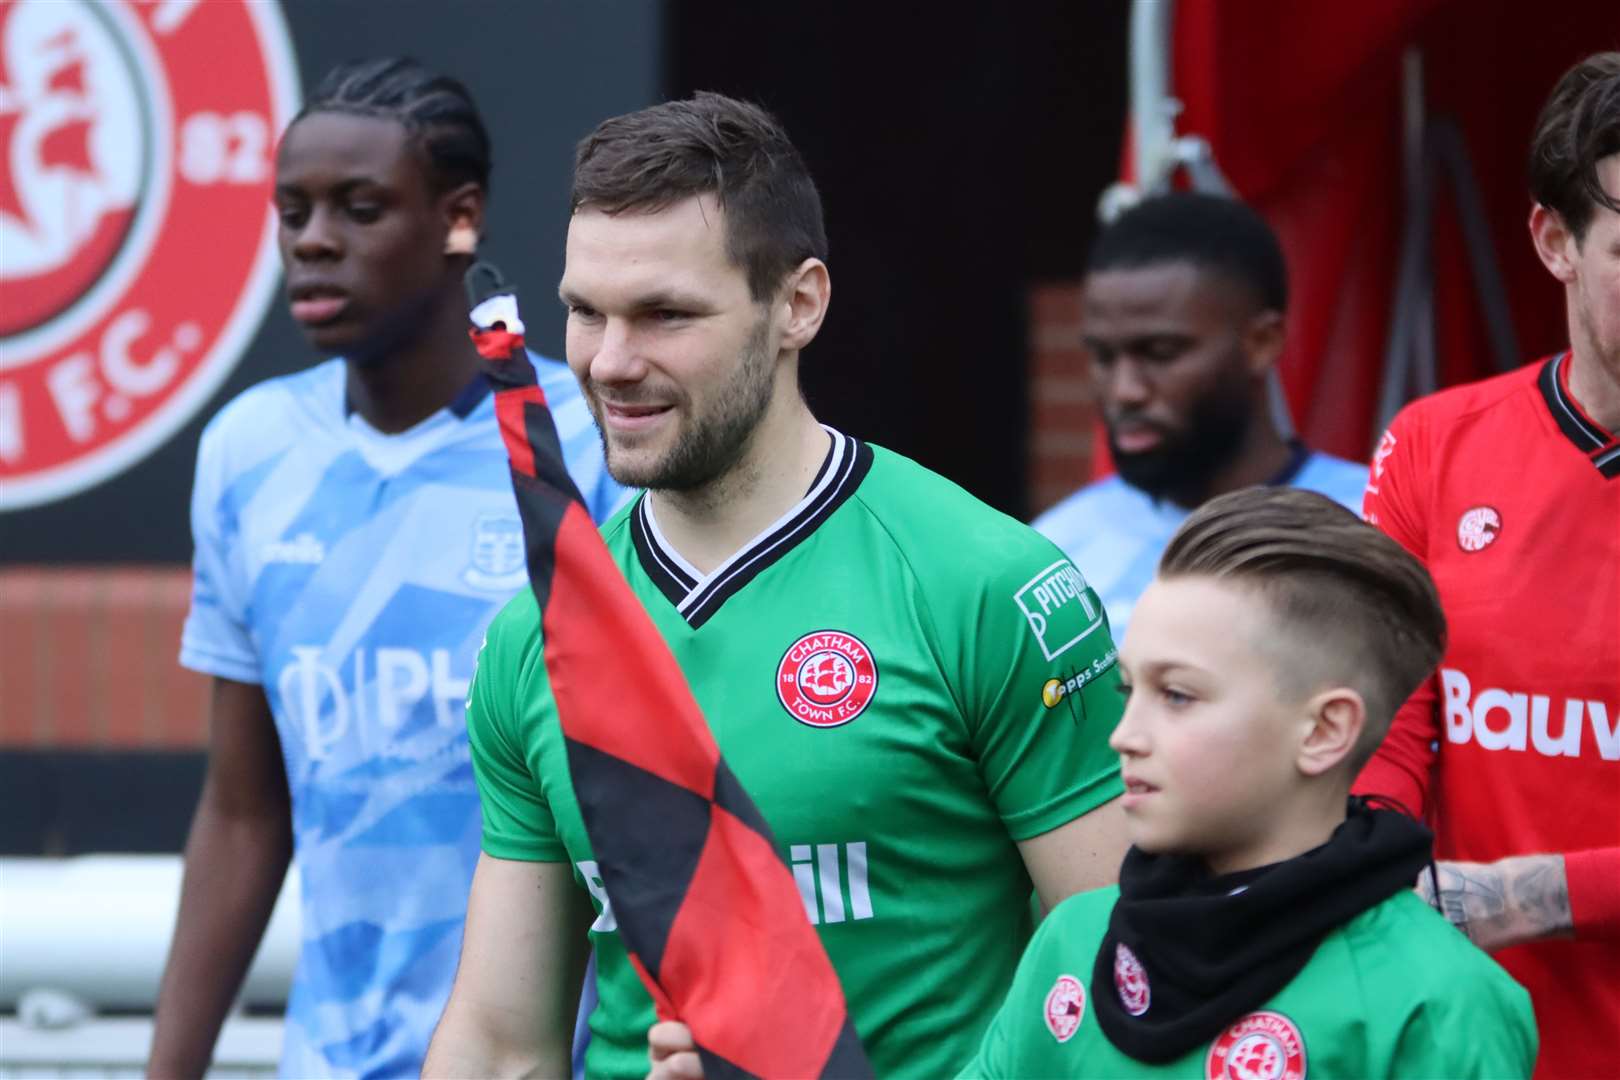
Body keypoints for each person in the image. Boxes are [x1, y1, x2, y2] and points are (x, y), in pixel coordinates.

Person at [424, 92, 1128, 1079]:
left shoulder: (988, 587)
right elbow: (503, 1045)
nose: (611, 362)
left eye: (665, 314)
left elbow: (1122, 994)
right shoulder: (534, 639)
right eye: (585, 311)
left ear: (798, 304)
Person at [651, 488, 1539, 1080]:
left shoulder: (1442, 1002)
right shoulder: (1075, 942)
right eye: (1129, 691)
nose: (1125, 735)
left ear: (1325, 730)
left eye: (1178, 696)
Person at [148, 58, 623, 1079]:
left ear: (461, 220)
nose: (313, 240)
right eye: (293, 210)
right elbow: (243, 806)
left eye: (360, 209)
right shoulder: (248, 451)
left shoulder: (588, 444)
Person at [1354, 51, 1620, 1080]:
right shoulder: (1434, 444)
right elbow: (1378, 711)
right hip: (1482, 1046)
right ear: (1554, 241)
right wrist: (1377, 864)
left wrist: (1524, 892)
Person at [1033, 193, 1366, 636]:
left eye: (1161, 353)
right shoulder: (1055, 560)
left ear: (1262, 342)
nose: (1125, 391)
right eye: (1103, 357)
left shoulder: (1377, 525)